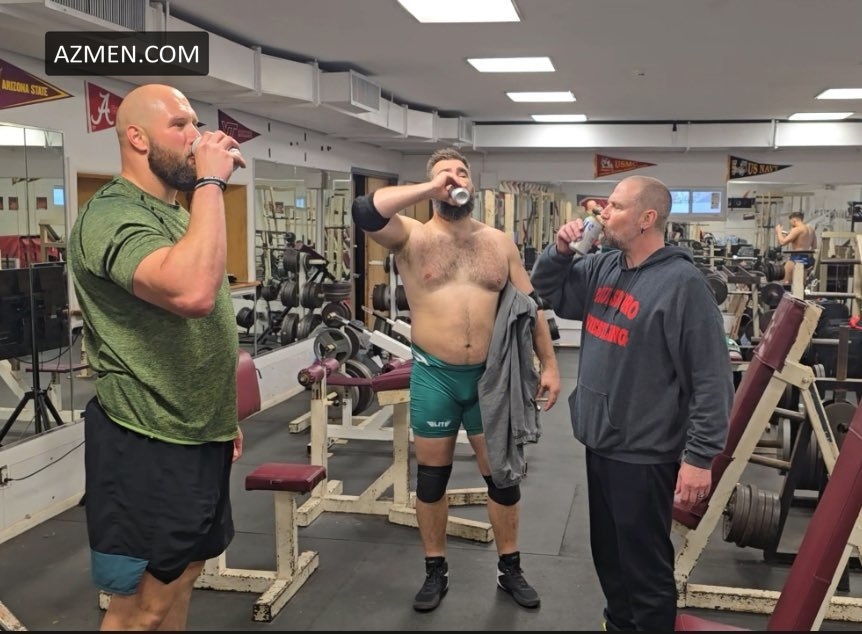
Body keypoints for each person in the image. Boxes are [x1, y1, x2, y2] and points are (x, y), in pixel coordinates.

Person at [68, 84, 246, 631]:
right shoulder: (111, 214)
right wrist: (212, 182)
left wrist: (223, 416)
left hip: (196, 429)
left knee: (185, 573)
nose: (196, 136)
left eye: (196, 123)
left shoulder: (175, 213)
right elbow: (192, 294)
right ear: (137, 138)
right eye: (180, 125)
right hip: (147, 434)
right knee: (140, 609)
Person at [351, 147, 561, 612]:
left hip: (491, 379)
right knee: (432, 481)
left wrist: (549, 364)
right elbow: (365, 210)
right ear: (432, 186)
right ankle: (435, 570)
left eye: (461, 172)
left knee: (502, 480)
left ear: (472, 185)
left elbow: (532, 308)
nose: (454, 178)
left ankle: (510, 569)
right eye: (444, 172)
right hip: (436, 378)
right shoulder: (410, 236)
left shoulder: (498, 243)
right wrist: (431, 187)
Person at [530, 175, 733, 631]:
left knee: (644, 569)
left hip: (644, 452)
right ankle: (619, 625)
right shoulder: (604, 266)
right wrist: (560, 251)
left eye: (616, 207)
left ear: (646, 219)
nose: (603, 213)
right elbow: (549, 289)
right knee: (609, 558)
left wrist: (699, 459)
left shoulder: (683, 285)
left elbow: (711, 379)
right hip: (601, 440)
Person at [775, 211, 817, 284]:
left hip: (796, 258)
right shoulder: (811, 229)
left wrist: (778, 231)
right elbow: (814, 246)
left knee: (786, 283)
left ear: (794, 220)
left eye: (791, 222)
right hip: (806, 260)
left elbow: (782, 242)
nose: (791, 225)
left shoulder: (797, 229)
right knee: (801, 285)